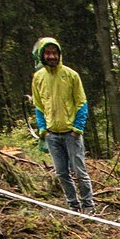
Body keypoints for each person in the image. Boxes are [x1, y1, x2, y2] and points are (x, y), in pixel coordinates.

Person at [31, 37, 95, 214]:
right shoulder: (38, 78)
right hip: (52, 134)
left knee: (79, 171)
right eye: (48, 53)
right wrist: (43, 128)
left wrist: (77, 128)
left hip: (71, 133)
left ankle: (88, 205)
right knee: (61, 172)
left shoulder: (71, 75)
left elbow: (82, 102)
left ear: (59, 54)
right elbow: (38, 105)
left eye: (54, 53)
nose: (51, 56)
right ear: (42, 55)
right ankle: (73, 205)